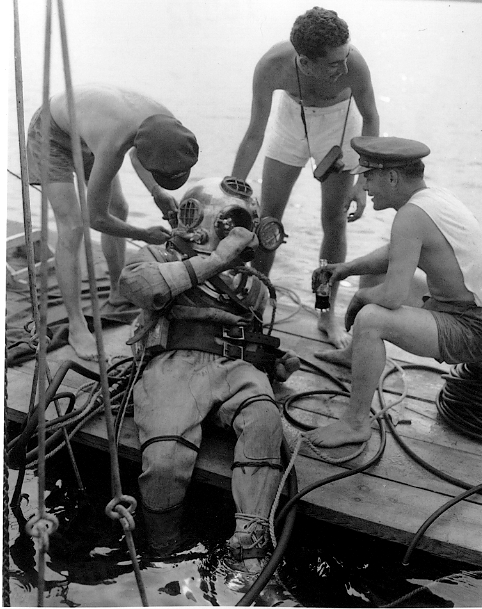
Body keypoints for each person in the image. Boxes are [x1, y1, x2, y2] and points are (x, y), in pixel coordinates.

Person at [119, 177, 300, 576]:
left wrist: (274, 363)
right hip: (174, 366)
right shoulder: (159, 256)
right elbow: (139, 287)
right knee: (165, 458)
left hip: (236, 368)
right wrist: (217, 259)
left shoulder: (251, 284)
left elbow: (249, 333)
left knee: (264, 420)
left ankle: (249, 550)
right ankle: (163, 552)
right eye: (232, 223)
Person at [306, 136, 482, 448]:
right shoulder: (432, 198)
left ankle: (355, 423)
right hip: (459, 306)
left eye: (368, 176)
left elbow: (392, 298)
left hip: (472, 327)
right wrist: (346, 268)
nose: (364, 185)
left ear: (391, 177)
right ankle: (354, 355)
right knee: (373, 273)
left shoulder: (410, 216)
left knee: (371, 319)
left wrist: (360, 298)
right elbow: (393, 253)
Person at [231, 6, 380, 349]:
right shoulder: (271, 66)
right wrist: (234, 189)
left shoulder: (354, 64)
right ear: (304, 62)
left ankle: (326, 311)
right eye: (334, 63)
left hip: (339, 125)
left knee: (334, 222)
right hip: (291, 119)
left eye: (346, 57)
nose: (345, 67)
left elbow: (371, 118)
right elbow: (254, 132)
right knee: (268, 219)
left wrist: (362, 180)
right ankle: (255, 300)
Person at [27, 85, 199, 361]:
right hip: (52, 132)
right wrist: (143, 234)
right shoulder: (113, 142)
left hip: (87, 130)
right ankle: (76, 326)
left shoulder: (167, 124)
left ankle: (119, 291)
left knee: (119, 207)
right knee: (73, 226)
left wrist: (157, 191)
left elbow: (138, 153)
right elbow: (95, 218)